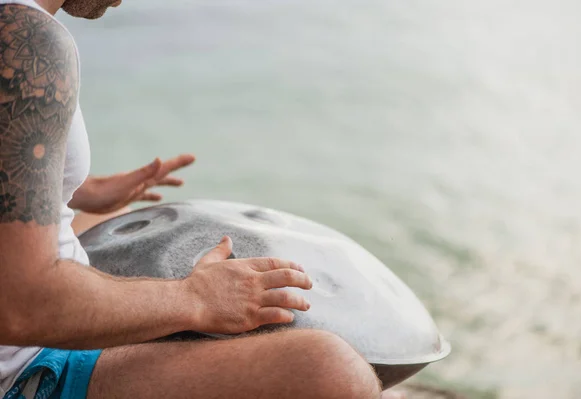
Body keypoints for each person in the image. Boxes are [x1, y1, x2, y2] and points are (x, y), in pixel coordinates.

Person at [0, 0, 407, 398]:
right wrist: (196, 299)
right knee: (333, 371)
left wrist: (80, 189)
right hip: (26, 368)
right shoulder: (28, 40)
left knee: (114, 215)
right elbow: (22, 305)